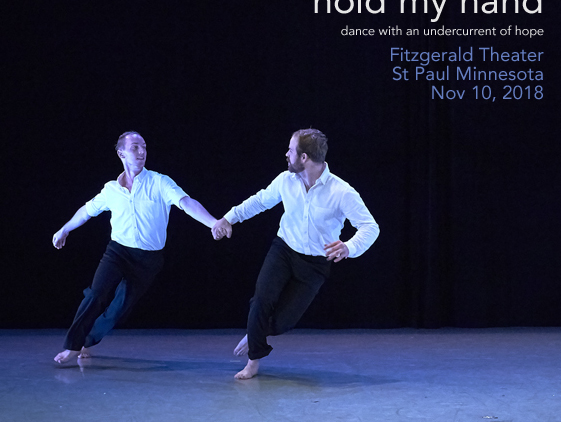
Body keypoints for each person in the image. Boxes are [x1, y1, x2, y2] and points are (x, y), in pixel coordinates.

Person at [211, 128, 379, 379]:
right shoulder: (285, 180)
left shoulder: (341, 191)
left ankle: (255, 332)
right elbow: (259, 201)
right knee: (260, 301)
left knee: (283, 322)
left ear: (304, 157)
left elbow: (370, 227)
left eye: (290, 150)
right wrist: (229, 218)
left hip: (315, 264)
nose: (286, 154)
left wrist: (349, 247)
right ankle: (253, 362)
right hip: (284, 250)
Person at [53, 131, 218, 364]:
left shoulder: (160, 182)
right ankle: (72, 345)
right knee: (96, 294)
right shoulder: (111, 190)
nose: (142, 152)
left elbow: (186, 203)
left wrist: (213, 223)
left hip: (148, 260)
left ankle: (87, 341)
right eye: (135, 148)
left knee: (118, 309)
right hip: (118, 252)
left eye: (144, 147)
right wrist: (64, 229)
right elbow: (86, 211)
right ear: (121, 153)